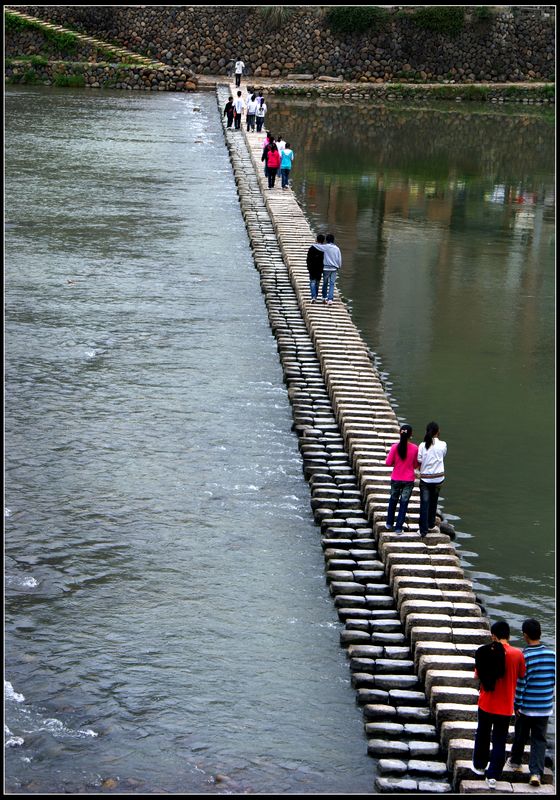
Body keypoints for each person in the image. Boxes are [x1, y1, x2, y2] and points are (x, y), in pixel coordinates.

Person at [472, 620, 526, 789]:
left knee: (482, 734)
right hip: (505, 706)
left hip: (486, 703)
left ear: (493, 636)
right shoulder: (517, 654)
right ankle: (493, 775)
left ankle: (479, 766)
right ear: (508, 635)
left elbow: (476, 676)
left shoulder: (486, 652)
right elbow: (522, 675)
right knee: (499, 740)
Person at [507, 618, 556, 787]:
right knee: (539, 740)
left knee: (520, 734)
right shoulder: (552, 655)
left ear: (525, 636)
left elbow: (521, 684)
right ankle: (536, 773)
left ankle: (515, 762)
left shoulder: (525, 656)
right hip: (544, 707)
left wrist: (517, 704)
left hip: (527, 707)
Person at [385, 424, 419, 533]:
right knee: (404, 503)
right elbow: (415, 465)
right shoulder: (414, 448)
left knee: (393, 500)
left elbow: (388, 462)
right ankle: (399, 527)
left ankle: (389, 523)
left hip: (396, 478)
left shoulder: (395, 447)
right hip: (408, 480)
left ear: (400, 433)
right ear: (411, 435)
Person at [417, 421, 447, 536]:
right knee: (434, 501)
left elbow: (419, 460)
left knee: (424, 503)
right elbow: (443, 456)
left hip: (426, 479)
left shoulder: (422, 445)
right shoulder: (443, 444)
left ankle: (423, 530)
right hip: (438, 478)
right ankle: (430, 524)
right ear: (438, 432)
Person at [317, 233, 342, 305]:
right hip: (334, 268)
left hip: (325, 268)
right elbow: (339, 259)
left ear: (326, 240)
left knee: (325, 283)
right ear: (333, 240)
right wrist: (339, 266)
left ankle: (324, 297)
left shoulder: (324, 247)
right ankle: (330, 299)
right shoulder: (337, 248)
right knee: (332, 283)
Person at [306, 234, 325, 302]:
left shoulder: (312, 248)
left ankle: (313, 297)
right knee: (317, 282)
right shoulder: (324, 249)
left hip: (312, 268)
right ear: (323, 241)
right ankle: (316, 295)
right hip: (320, 268)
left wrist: (308, 267)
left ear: (316, 240)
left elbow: (308, 259)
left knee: (312, 282)